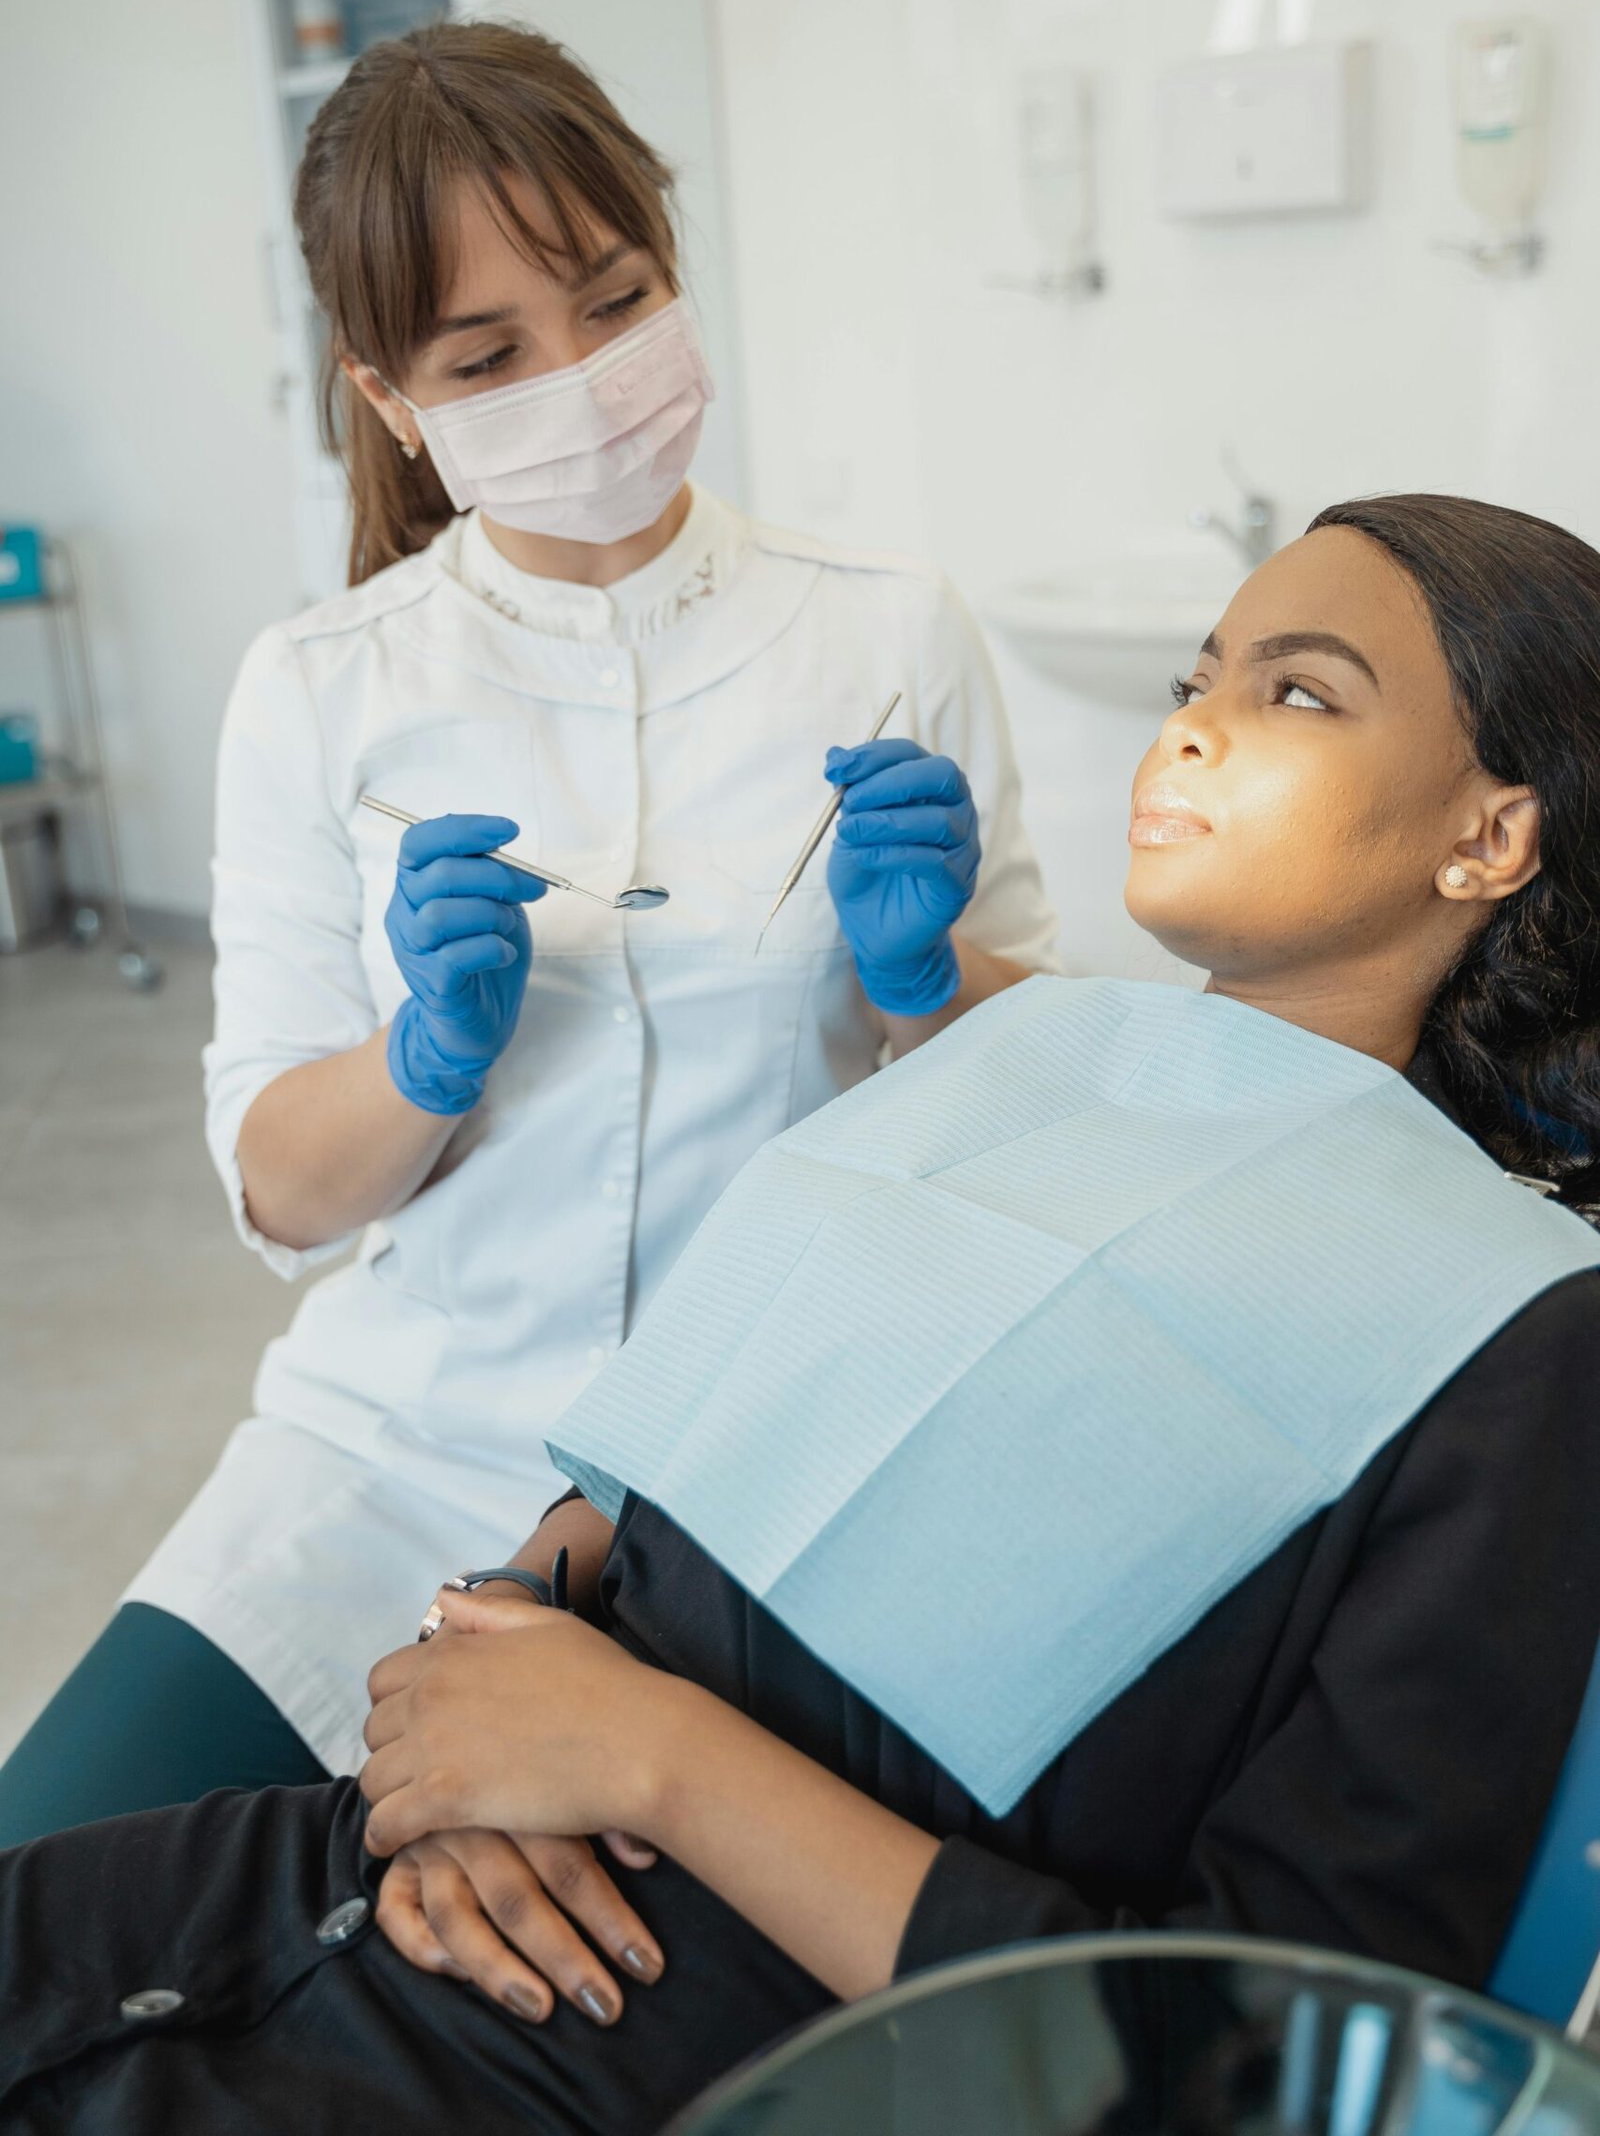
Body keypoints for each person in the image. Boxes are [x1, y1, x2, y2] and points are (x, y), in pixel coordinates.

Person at [6, 494, 1600, 2136]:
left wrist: (645, 1758)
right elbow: (635, 1483)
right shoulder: (1014, 1062)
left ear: (1490, 837)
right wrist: (490, 1690)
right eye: (1198, 681)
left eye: (1300, 693)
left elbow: (1259, 2064)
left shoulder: (1513, 1339)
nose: (1190, 731)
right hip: (384, 1870)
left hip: (673, 2051)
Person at [0, 24, 1058, 1844]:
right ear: (392, 399)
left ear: (672, 268)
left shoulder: (890, 630)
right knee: (51, 1875)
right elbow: (283, 1186)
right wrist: (422, 1061)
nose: (578, 380)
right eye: (488, 356)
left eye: (615, 300)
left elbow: (1031, 1122)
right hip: (390, 1450)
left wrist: (927, 984)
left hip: (778, 1465)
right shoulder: (319, 688)